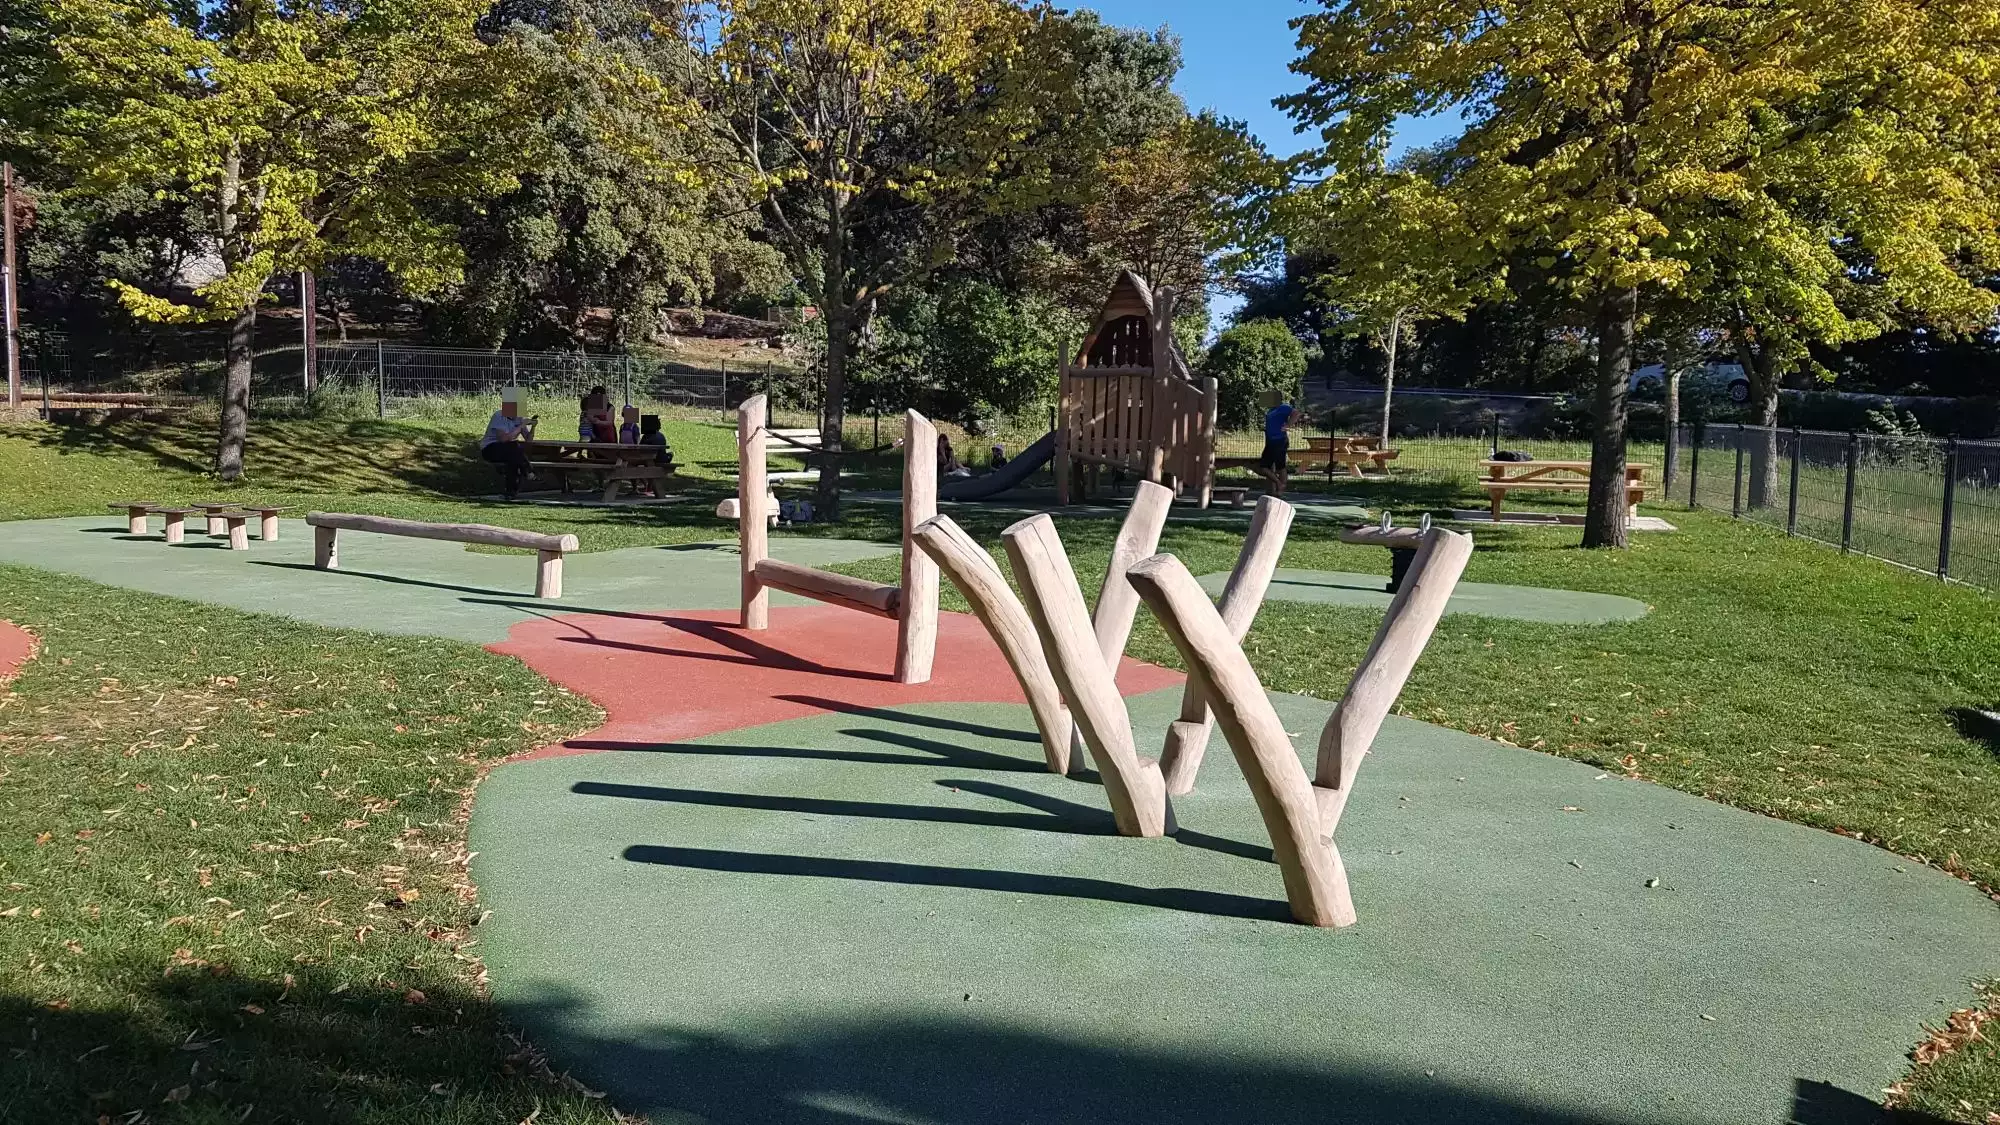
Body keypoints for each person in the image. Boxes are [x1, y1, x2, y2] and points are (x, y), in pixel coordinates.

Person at [481, 389, 538, 500]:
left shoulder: (519, 418)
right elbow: (504, 439)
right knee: (514, 447)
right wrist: (521, 426)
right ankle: (528, 471)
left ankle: (511, 492)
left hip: (509, 450)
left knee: (514, 458)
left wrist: (533, 427)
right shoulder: (499, 416)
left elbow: (528, 440)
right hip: (490, 448)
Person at [1259, 391, 1299, 494]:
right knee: (1263, 467)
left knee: (1280, 466)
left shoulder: (1283, 407)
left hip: (1280, 440)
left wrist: (1288, 425)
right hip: (1270, 442)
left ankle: (1281, 488)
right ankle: (1278, 483)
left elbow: (1296, 413)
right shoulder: (1271, 410)